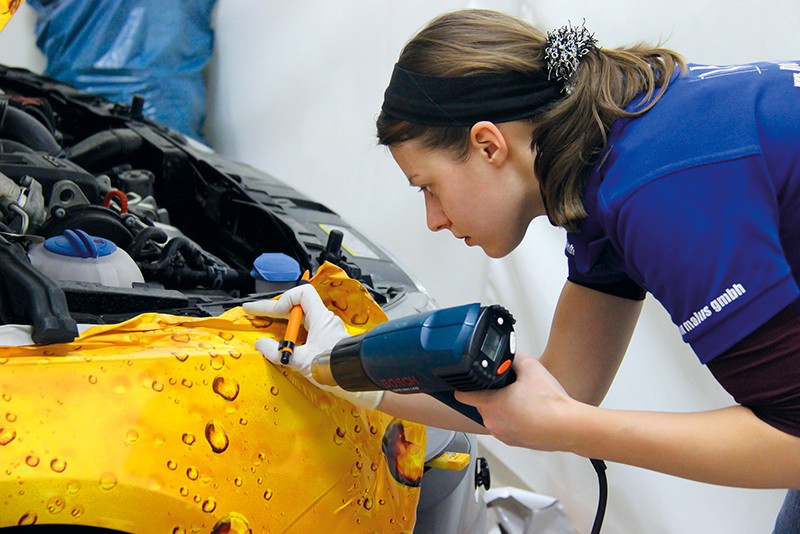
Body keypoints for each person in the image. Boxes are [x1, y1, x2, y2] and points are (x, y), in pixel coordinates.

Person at [243, 9, 800, 532]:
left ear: (488, 145)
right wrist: (340, 367)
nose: (434, 219)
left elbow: (792, 443)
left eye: (429, 188)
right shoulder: (617, 148)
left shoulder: (658, 188)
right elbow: (563, 387)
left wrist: (566, 427)